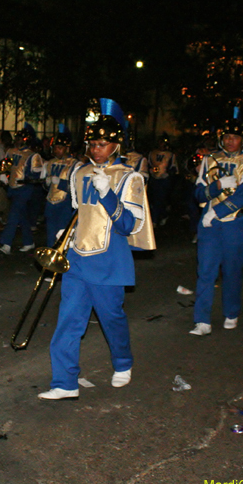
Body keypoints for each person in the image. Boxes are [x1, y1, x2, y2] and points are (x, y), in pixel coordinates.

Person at [39, 98, 155, 401]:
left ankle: (123, 362)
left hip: (109, 261)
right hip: (78, 258)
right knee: (68, 321)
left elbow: (128, 225)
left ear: (116, 145)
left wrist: (107, 194)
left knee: (111, 319)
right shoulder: (79, 173)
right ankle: (65, 382)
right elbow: (81, 212)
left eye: (102, 144)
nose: (96, 149)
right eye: (92, 144)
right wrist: (69, 232)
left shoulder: (130, 178)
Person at [189, 113, 243, 336]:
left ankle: (231, 312)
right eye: (227, 137)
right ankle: (202, 320)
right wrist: (217, 186)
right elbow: (198, 193)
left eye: (236, 137)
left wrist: (218, 211)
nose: (231, 141)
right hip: (209, 224)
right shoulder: (209, 160)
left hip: (236, 224)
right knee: (205, 271)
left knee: (232, 272)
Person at [0, 123, 43, 254]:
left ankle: (6, 243)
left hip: (24, 188)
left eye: (19, 139)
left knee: (13, 214)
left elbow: (36, 175)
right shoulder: (11, 151)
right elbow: (5, 165)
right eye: (16, 138)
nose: (17, 141)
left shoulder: (33, 156)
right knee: (21, 216)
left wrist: (27, 179)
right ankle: (29, 242)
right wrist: (3, 174)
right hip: (13, 187)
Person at [43, 124, 81, 247]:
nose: (56, 150)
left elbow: (77, 188)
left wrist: (60, 183)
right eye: (55, 147)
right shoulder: (50, 163)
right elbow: (45, 187)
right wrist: (46, 183)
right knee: (50, 234)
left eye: (60, 147)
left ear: (67, 148)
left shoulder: (75, 164)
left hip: (65, 203)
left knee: (63, 235)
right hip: (50, 202)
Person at [147, 133, 178, 227]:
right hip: (154, 179)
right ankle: (161, 215)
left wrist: (168, 174)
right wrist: (151, 171)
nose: (162, 145)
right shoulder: (152, 153)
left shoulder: (170, 155)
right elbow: (148, 164)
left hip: (164, 180)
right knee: (153, 199)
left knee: (160, 199)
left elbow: (173, 167)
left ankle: (155, 219)